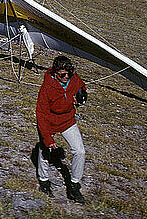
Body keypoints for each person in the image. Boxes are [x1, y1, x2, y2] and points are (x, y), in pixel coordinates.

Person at [36, 55, 87, 203]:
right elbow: (41, 114)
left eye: (68, 74)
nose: (66, 77)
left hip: (67, 120)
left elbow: (81, 86)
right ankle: (44, 181)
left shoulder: (74, 78)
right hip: (50, 121)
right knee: (46, 150)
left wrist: (81, 96)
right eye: (62, 75)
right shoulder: (47, 87)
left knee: (80, 151)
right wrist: (48, 138)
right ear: (55, 72)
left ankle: (74, 185)